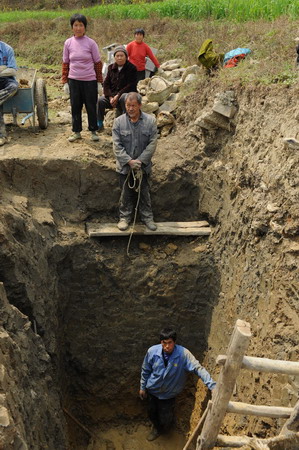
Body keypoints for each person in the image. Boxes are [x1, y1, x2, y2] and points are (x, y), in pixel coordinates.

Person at [139, 327, 216, 441]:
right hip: (153, 390)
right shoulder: (152, 352)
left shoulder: (183, 354)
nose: (167, 346)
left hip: (169, 394)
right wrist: (142, 387)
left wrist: (212, 386)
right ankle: (156, 428)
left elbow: (198, 368)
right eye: (164, 343)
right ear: (161, 342)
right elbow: (145, 370)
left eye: (170, 343)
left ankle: (163, 428)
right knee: (151, 413)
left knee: (166, 417)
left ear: (174, 342)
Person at [112, 92, 157, 231]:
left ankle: (147, 218)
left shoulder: (150, 121)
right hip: (125, 167)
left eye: (133, 106)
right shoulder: (118, 122)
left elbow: (152, 143)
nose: (130, 109)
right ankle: (124, 218)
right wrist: (129, 161)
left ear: (139, 105)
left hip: (143, 167)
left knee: (144, 192)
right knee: (126, 193)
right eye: (128, 106)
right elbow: (117, 145)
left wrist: (141, 161)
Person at [62, 13, 103, 143]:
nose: (78, 28)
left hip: (89, 80)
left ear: (85, 27)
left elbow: (97, 63)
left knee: (91, 106)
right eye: (75, 25)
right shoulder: (68, 43)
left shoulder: (91, 43)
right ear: (72, 27)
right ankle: (76, 132)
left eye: (81, 25)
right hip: (74, 80)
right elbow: (65, 63)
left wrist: (99, 82)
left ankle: (93, 131)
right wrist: (65, 82)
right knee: (75, 106)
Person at [97, 46, 137, 131]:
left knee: (125, 97)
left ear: (126, 57)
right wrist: (110, 97)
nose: (119, 58)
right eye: (117, 56)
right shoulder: (111, 67)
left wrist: (118, 95)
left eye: (121, 56)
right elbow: (106, 83)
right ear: (114, 57)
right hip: (113, 96)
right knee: (100, 100)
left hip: (125, 95)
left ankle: (126, 124)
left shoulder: (132, 68)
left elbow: (131, 85)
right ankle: (99, 124)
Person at [0, 41, 18, 146]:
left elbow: (12, 70)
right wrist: (3, 68)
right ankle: (2, 136)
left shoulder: (7, 49)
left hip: (7, 80)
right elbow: (8, 68)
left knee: (14, 87)